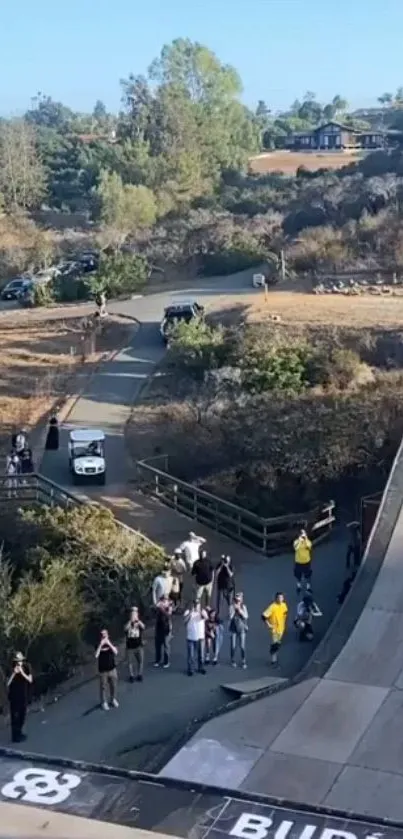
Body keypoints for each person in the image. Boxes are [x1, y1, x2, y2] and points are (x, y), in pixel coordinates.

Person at [7, 652, 32, 743]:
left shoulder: (27, 667)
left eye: (20, 661)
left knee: (22, 714)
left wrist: (22, 673)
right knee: (15, 717)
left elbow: (30, 680)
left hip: (23, 694)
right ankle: (15, 736)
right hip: (14, 696)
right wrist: (14, 673)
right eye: (17, 661)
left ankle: (20, 732)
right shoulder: (12, 669)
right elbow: (7, 684)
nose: (19, 663)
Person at [262, 592, 288, 666]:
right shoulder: (272, 607)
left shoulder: (284, 606)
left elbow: (285, 615)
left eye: (281, 598)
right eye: (278, 598)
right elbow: (263, 616)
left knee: (278, 644)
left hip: (281, 629)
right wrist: (269, 624)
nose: (280, 599)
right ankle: (274, 660)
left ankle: (274, 653)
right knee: (275, 645)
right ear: (276, 598)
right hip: (274, 630)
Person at [95, 629, 119, 710]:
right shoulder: (98, 644)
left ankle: (113, 699)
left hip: (112, 669)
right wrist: (100, 645)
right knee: (103, 687)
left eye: (105, 634)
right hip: (103, 671)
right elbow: (96, 656)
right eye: (102, 635)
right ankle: (104, 702)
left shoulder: (111, 642)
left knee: (114, 686)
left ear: (108, 635)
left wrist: (109, 643)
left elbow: (116, 652)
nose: (104, 636)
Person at [184, 600, 207, 676]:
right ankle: (191, 669)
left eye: (198, 604)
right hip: (191, 637)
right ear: (193, 604)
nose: (197, 606)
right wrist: (190, 613)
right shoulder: (188, 612)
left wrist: (200, 612)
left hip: (200, 637)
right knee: (191, 655)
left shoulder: (202, 611)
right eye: (195, 604)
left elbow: (206, 618)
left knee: (201, 654)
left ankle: (201, 668)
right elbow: (185, 621)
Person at [125, 607, 145, 682]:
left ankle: (139, 674)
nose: (134, 616)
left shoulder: (139, 623)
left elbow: (143, 626)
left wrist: (138, 621)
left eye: (135, 615)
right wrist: (131, 621)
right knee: (130, 662)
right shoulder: (128, 623)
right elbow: (125, 629)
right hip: (130, 647)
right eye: (133, 615)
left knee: (140, 661)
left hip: (139, 646)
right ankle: (131, 675)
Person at [229, 592, 248, 668]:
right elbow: (230, 617)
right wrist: (234, 609)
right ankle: (232, 660)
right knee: (233, 646)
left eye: (239, 600)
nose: (238, 602)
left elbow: (246, 616)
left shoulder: (244, 607)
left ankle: (243, 661)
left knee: (242, 646)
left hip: (242, 628)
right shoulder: (231, 607)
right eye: (237, 600)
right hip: (233, 628)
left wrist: (239, 610)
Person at [154, 596, 172, 668]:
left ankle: (166, 661)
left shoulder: (169, 608)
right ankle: (157, 660)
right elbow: (154, 611)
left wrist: (161, 608)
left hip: (166, 629)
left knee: (166, 646)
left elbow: (168, 615)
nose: (163, 603)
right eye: (162, 601)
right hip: (158, 629)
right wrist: (157, 606)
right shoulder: (158, 609)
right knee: (157, 646)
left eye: (165, 601)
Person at [293, 528, 313, 593]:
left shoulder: (308, 541)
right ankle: (299, 586)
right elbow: (296, 548)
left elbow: (309, 547)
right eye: (301, 534)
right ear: (299, 535)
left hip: (306, 562)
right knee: (298, 576)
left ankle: (308, 587)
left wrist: (305, 539)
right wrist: (299, 541)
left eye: (304, 534)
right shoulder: (296, 542)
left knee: (308, 576)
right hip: (298, 562)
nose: (303, 535)